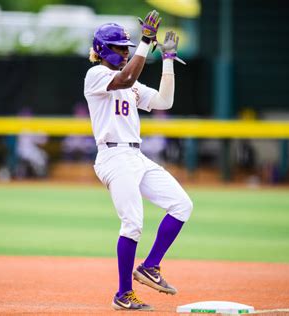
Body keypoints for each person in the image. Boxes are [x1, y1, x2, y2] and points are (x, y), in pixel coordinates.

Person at [84, 10, 193, 311]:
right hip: (113, 156)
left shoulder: (128, 83)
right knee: (132, 223)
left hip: (134, 154)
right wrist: (146, 41)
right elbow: (127, 76)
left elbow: (163, 102)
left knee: (182, 204)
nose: (124, 52)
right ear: (104, 49)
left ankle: (151, 266)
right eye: (119, 47)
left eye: (126, 48)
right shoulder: (97, 75)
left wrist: (168, 60)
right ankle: (123, 294)